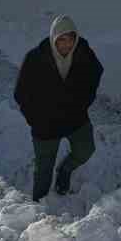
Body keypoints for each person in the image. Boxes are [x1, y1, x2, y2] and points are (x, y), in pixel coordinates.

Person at [13, 14, 104, 202]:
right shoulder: (35, 58)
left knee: (86, 150)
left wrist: (83, 102)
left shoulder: (83, 52)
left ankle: (65, 169)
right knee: (43, 169)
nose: (66, 45)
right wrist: (35, 119)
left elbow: (96, 73)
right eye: (61, 40)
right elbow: (21, 93)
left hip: (75, 118)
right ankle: (39, 206)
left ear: (75, 39)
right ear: (53, 38)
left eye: (70, 39)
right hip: (46, 124)